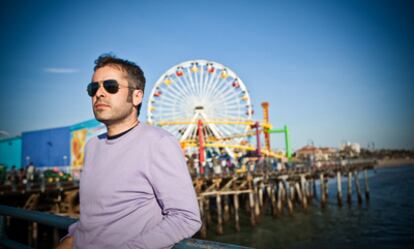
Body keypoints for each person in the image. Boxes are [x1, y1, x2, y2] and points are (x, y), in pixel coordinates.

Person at [57, 54, 201, 249]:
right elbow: (95, 215)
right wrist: (71, 237)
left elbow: (186, 217)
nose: (99, 93)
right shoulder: (92, 146)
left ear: (137, 96)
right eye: (93, 88)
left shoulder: (158, 143)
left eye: (110, 86)